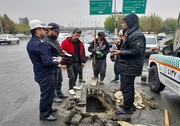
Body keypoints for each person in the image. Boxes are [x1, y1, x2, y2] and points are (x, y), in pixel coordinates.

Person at [27, 20, 62, 121]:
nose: (46, 31)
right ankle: (44, 114)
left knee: (50, 93)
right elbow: (47, 62)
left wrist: (51, 59)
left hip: (40, 73)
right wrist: (57, 61)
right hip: (45, 75)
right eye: (44, 29)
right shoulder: (40, 44)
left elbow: (42, 58)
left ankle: (48, 109)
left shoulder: (32, 42)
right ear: (38, 31)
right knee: (46, 94)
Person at [111, 13, 146, 115]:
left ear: (130, 23)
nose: (122, 24)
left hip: (130, 66)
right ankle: (130, 105)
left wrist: (120, 52)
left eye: (123, 22)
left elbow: (136, 51)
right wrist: (120, 44)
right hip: (128, 66)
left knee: (127, 88)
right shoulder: (131, 33)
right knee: (129, 87)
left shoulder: (136, 35)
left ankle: (127, 109)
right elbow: (129, 46)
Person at [44, 22, 68, 103]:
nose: (58, 33)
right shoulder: (46, 41)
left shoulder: (55, 40)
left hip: (58, 63)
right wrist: (54, 60)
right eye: (56, 32)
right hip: (52, 65)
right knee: (53, 82)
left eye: (58, 32)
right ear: (49, 30)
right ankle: (54, 96)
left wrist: (62, 52)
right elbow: (45, 55)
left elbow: (57, 50)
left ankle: (59, 93)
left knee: (59, 80)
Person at [61, 28, 86, 95]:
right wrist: (63, 63)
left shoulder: (80, 43)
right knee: (71, 76)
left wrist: (83, 61)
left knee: (75, 75)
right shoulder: (65, 42)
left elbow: (83, 53)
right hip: (69, 62)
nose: (77, 37)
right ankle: (70, 88)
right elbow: (62, 53)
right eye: (76, 35)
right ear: (72, 34)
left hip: (77, 62)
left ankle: (74, 85)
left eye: (79, 36)